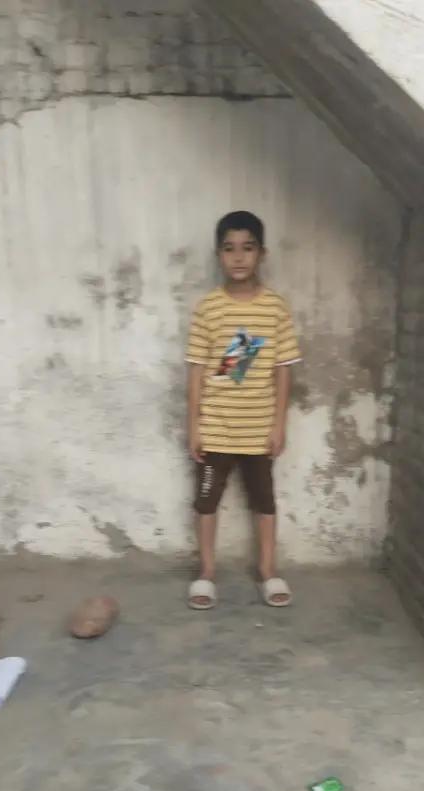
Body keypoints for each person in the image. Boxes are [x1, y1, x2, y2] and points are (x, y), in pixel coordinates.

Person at [185, 210, 301, 610]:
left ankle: (268, 570)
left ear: (262, 254)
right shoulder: (208, 308)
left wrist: (279, 425)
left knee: (264, 502)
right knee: (206, 502)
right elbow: (197, 371)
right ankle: (206, 573)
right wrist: (194, 426)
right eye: (229, 249)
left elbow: (284, 370)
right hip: (216, 428)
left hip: (258, 428)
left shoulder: (275, 307)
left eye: (247, 248)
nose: (238, 257)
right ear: (218, 254)